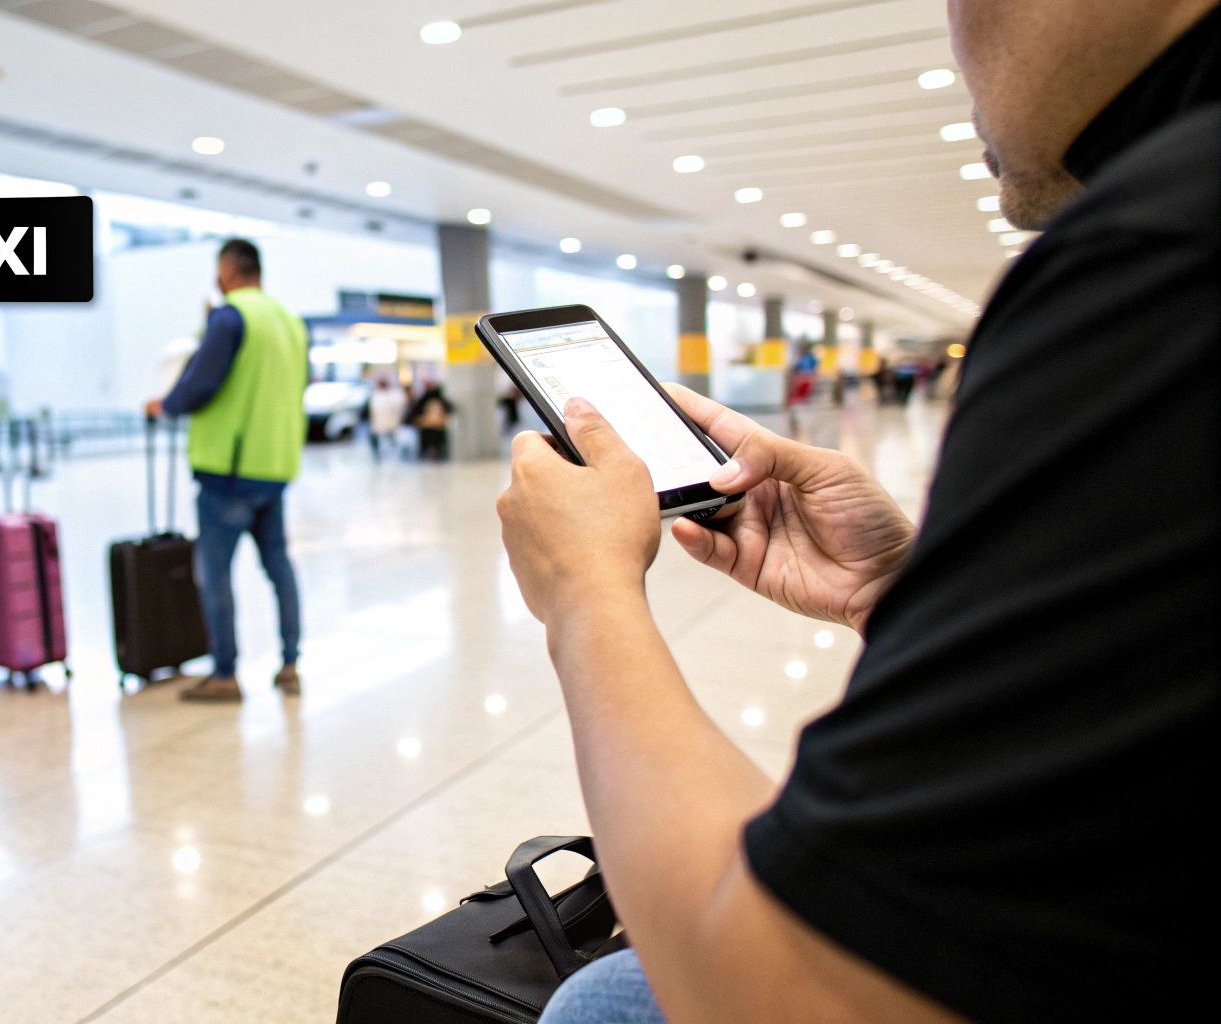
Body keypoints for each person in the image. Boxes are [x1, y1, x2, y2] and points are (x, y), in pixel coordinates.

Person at [503, 2, 1217, 1021]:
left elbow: (783, 993)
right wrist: (902, 592)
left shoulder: (1160, 255)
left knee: (601, 1006)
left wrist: (583, 592)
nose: (955, 32)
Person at [144, 238, 307, 702]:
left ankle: (224, 673)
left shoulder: (230, 317)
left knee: (215, 573)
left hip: (229, 470)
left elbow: (201, 382)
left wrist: (166, 405)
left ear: (228, 272)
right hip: (275, 466)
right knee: (278, 566)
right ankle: (290, 664)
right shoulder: (290, 323)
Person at [366, 374, 407, 461]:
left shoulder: (393, 395)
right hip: (378, 425)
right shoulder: (376, 395)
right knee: (376, 439)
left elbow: (398, 408)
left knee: (393, 441)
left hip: (391, 424)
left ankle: (395, 454)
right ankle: (377, 455)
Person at [409, 382, 453, 461]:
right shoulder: (423, 399)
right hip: (427, 429)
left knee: (438, 446)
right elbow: (415, 414)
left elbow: (448, 410)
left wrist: (441, 418)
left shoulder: (440, 399)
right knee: (428, 446)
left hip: (438, 429)